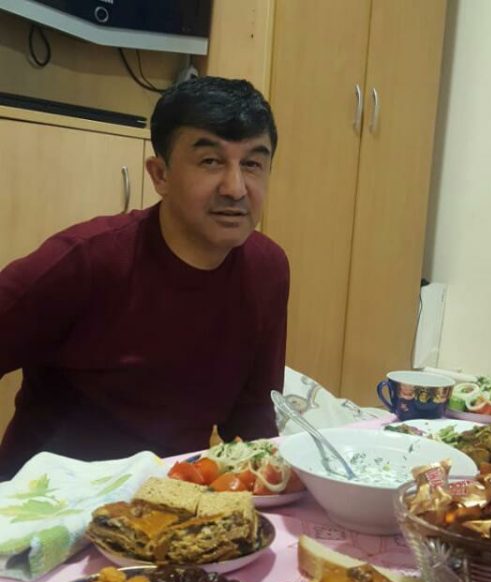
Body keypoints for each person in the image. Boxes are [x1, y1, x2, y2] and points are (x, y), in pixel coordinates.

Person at [0, 76, 289, 479]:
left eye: (253, 164)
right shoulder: (85, 261)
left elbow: (252, 416)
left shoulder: (267, 269)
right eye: (210, 161)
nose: (236, 188)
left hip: (169, 494)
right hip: (47, 499)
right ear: (160, 175)